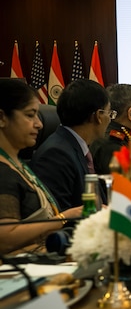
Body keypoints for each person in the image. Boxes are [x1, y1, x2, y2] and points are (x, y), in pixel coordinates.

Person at [0, 78, 83, 254]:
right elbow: (5, 239)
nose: (39, 124)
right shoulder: (2, 172)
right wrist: (63, 218)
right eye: (30, 115)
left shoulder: (18, 164)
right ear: (2, 118)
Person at [30, 79, 111, 210]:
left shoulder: (77, 147)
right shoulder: (56, 154)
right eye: (109, 113)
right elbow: (59, 216)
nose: (109, 120)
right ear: (98, 116)